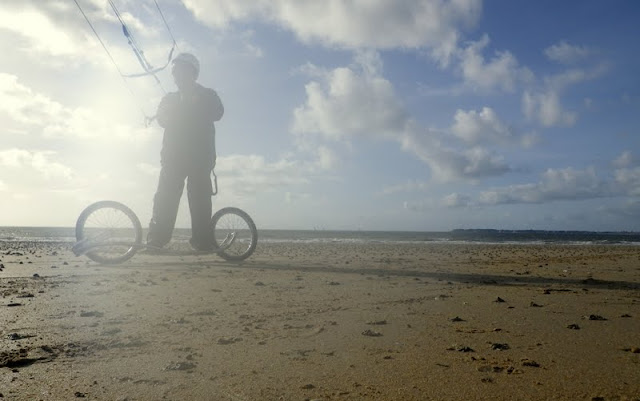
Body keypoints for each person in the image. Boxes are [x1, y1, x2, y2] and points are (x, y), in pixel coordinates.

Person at [147, 52, 224, 251]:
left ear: (193, 73)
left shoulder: (208, 94)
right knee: (165, 198)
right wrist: (172, 110)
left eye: (180, 71)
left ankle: (203, 242)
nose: (176, 75)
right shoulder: (169, 98)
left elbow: (218, 112)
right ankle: (156, 241)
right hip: (173, 158)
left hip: (201, 158)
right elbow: (163, 120)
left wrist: (197, 100)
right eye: (175, 72)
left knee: (200, 202)